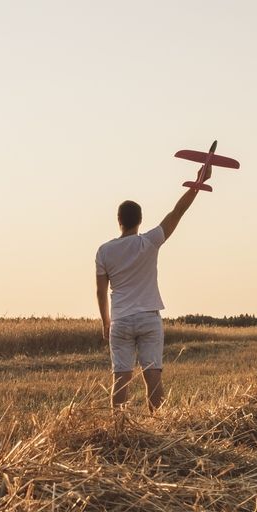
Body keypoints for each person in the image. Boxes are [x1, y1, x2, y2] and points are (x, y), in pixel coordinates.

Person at [95, 168, 210, 412]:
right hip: (148, 318)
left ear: (119, 220)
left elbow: (100, 292)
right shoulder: (149, 242)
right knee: (153, 375)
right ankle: (157, 426)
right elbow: (177, 212)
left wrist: (106, 322)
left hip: (121, 320)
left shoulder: (104, 251)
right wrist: (198, 183)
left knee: (121, 379)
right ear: (140, 221)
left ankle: (120, 428)